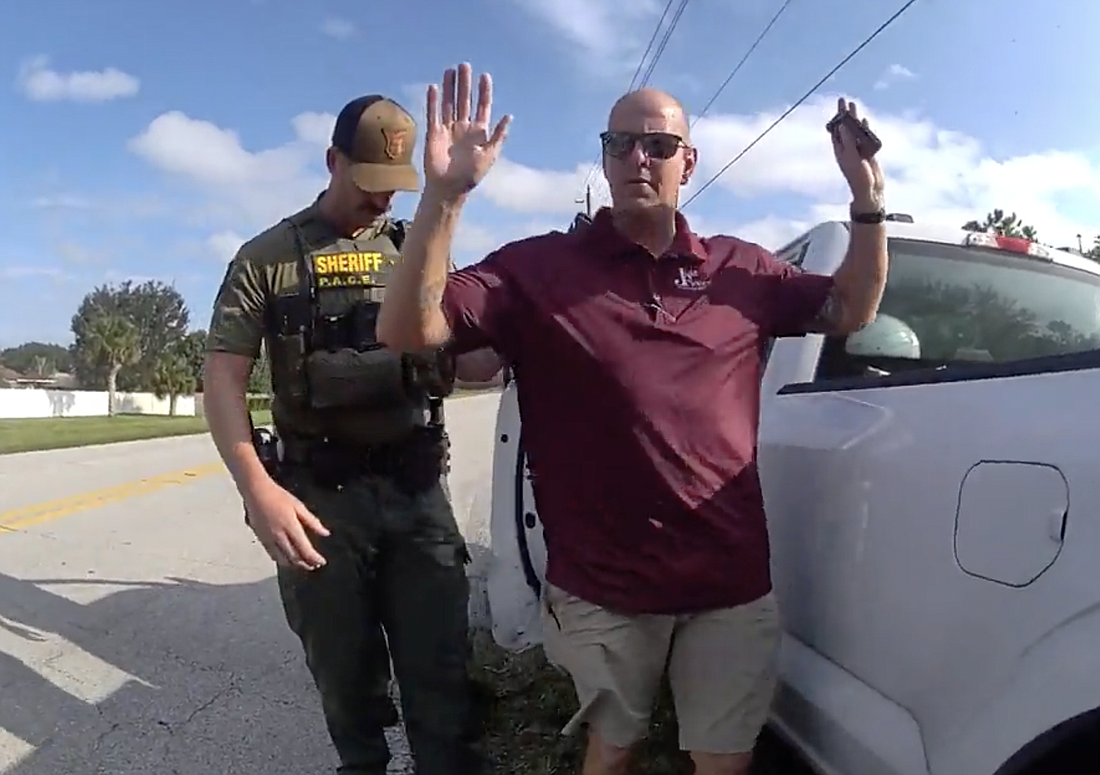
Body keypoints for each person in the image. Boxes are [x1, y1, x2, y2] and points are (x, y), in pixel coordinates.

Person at [376, 63, 888, 775]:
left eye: (657, 144)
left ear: (689, 160)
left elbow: (850, 308)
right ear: (604, 157)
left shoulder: (743, 270)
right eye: (620, 144)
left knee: (724, 761)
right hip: (604, 588)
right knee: (612, 751)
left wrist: (867, 203)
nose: (638, 159)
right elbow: (407, 329)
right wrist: (444, 198)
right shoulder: (539, 270)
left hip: (730, 585)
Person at [202, 93, 488, 775]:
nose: (383, 201)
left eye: (397, 188)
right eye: (369, 183)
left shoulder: (415, 249)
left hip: (415, 491)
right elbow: (221, 381)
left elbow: (470, 357)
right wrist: (256, 487)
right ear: (332, 161)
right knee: (344, 679)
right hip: (318, 500)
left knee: (443, 677)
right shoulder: (268, 257)